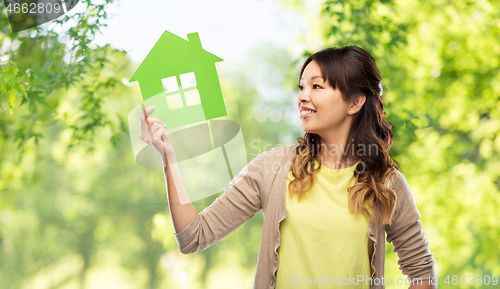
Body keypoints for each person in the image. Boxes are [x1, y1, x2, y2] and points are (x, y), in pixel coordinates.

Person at [139, 46, 438, 289]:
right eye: (302, 87)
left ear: (355, 102)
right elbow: (193, 236)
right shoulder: (273, 168)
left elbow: (423, 275)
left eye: (317, 86)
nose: (302, 96)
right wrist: (169, 158)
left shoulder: (385, 183)